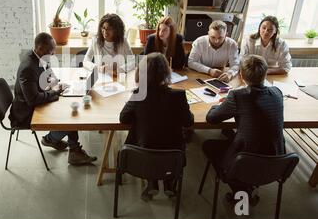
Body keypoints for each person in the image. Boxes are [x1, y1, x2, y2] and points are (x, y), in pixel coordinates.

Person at [203, 55, 285, 205]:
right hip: (277, 161)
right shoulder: (277, 92)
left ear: (241, 75)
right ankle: (249, 184)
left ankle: (238, 186)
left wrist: (220, 104)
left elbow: (211, 119)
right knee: (235, 137)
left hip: (245, 162)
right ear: (265, 74)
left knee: (208, 145)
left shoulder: (237, 96)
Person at [9, 33, 97, 166]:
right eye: (51, 51)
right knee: (71, 116)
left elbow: (47, 70)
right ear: (40, 48)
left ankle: (65, 145)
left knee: (69, 109)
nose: (54, 53)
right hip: (26, 112)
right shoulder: (28, 68)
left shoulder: (38, 56)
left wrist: (56, 82)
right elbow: (33, 100)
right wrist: (54, 92)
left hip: (35, 100)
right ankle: (55, 141)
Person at [119, 53, 194, 201]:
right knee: (166, 145)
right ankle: (168, 183)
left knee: (148, 140)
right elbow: (188, 122)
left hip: (142, 154)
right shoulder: (178, 96)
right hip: (173, 155)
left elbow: (123, 118)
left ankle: (151, 182)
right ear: (166, 72)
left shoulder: (138, 95)